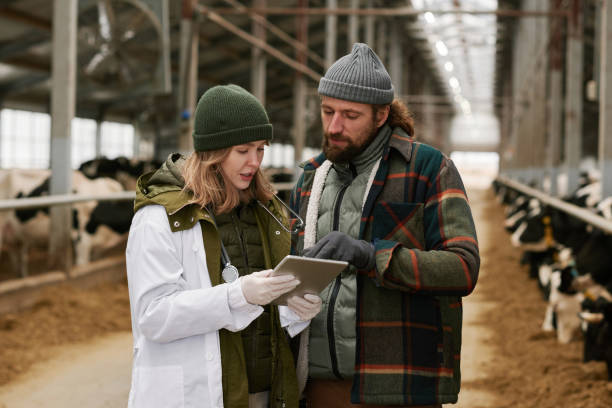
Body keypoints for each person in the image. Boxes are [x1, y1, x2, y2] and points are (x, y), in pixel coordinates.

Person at [290, 43, 480, 407]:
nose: (334, 126)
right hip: (317, 387)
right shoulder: (311, 177)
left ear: (381, 116)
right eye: (327, 111)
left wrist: (370, 256)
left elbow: (463, 267)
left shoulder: (427, 169)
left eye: (350, 115)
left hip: (396, 385)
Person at [125, 84, 322, 408]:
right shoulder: (160, 217)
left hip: (263, 393)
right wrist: (238, 295)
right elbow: (153, 315)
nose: (255, 161)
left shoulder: (265, 211)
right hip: (197, 395)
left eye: (261, 149)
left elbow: (267, 309)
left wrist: (296, 309)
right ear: (213, 151)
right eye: (243, 150)